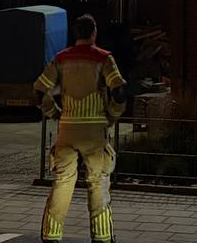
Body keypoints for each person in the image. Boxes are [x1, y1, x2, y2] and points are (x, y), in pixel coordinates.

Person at [34, 13, 127, 243]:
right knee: (98, 182)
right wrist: (112, 115)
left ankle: (51, 236)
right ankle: (102, 237)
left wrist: (55, 113)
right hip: (95, 132)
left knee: (62, 183)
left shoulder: (61, 59)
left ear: (75, 34)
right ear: (94, 33)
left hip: (67, 129)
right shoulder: (103, 58)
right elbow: (119, 91)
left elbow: (39, 90)